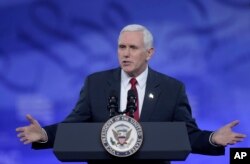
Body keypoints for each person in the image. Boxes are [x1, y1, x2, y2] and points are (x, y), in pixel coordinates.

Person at [16, 24, 246, 164]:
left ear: (149, 52)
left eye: (132, 48)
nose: (125, 54)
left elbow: (185, 133)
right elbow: (74, 127)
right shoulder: (96, 83)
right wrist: (44, 134)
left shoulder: (171, 88)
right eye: (121, 47)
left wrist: (212, 139)